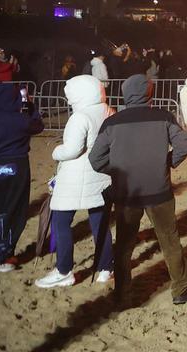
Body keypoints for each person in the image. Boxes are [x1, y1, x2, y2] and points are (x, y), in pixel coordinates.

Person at [88, 74, 187, 305]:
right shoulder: (162, 117)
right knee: (169, 240)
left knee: (125, 244)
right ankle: (181, 289)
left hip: (127, 192)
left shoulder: (112, 122)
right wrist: (167, 162)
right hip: (158, 190)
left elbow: (95, 159)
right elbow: (184, 143)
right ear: (149, 93)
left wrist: (117, 170)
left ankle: (122, 293)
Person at [36, 75, 115, 288]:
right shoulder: (107, 111)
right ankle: (106, 267)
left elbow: (72, 150)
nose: (69, 101)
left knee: (60, 221)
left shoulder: (80, 117)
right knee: (99, 223)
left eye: (70, 96)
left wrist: (56, 151)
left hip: (76, 177)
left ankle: (63, 270)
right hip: (101, 176)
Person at [0, 83, 44, 273]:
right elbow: (38, 126)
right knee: (13, 210)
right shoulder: (21, 120)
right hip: (15, 165)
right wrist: (31, 107)